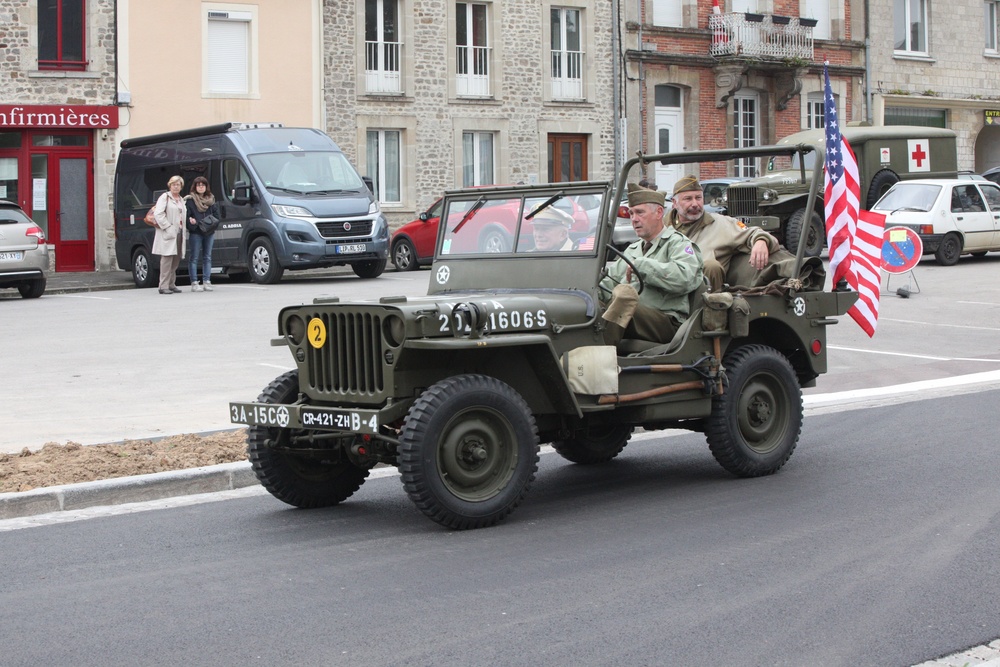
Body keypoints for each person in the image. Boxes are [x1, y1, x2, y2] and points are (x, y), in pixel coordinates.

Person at [599, 182, 704, 345]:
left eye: (640, 213)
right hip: (634, 317)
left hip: (666, 321)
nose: (634, 219)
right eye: (631, 213)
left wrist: (641, 266)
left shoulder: (678, 244)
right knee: (593, 305)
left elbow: (685, 278)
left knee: (624, 298)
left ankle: (600, 356)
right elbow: (608, 284)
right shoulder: (633, 250)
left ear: (659, 213)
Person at [666, 175, 780, 292]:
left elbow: (752, 233)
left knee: (711, 266)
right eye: (688, 199)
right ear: (675, 203)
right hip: (666, 292)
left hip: (701, 298)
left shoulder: (721, 224)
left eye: (698, 198)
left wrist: (761, 240)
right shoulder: (661, 228)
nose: (695, 204)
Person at [152, 175, 187, 295]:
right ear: (170, 185)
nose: (175, 187)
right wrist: (168, 227)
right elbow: (158, 214)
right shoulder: (165, 197)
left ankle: (172, 284)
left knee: (175, 261)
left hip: (179, 232)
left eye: (178, 185)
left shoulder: (181, 199)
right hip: (168, 233)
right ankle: (163, 285)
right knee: (166, 260)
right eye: (173, 184)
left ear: (181, 186)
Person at [184, 176, 220, 292]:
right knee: (194, 257)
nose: (200, 187)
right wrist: (194, 225)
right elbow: (187, 217)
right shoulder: (190, 200)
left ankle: (207, 281)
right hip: (196, 232)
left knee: (207, 257)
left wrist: (211, 226)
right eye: (198, 185)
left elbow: (216, 216)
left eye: (203, 185)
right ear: (195, 187)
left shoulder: (211, 199)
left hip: (209, 232)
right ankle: (194, 282)